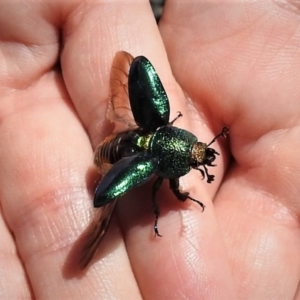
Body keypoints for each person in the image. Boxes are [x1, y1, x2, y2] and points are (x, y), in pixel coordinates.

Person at [0, 1, 299, 299]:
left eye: (196, 155)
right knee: (131, 194)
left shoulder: (161, 126)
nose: (201, 156)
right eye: (196, 153)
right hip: (114, 156)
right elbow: (164, 187)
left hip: (131, 138)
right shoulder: (159, 167)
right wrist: (178, 199)